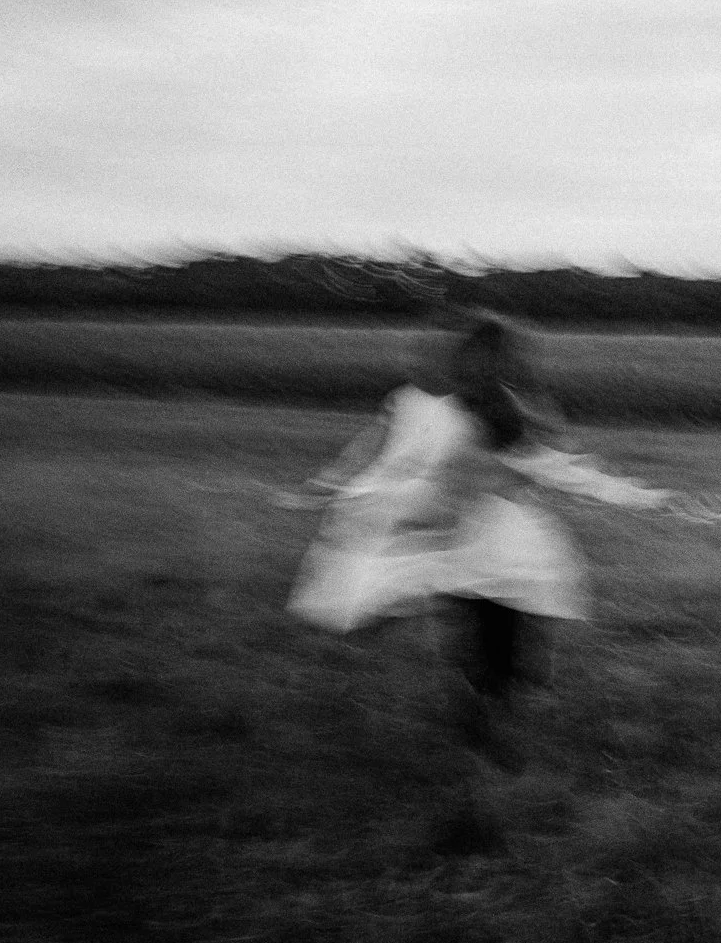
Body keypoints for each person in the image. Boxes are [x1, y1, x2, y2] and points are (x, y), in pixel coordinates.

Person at [285, 313, 676, 747]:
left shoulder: (446, 403)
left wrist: (393, 510)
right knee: (511, 632)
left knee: (473, 627)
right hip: (507, 538)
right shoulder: (512, 406)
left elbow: (433, 470)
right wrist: (626, 492)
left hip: (466, 537)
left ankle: (481, 699)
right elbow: (550, 465)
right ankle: (499, 704)